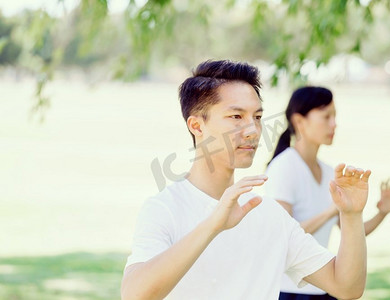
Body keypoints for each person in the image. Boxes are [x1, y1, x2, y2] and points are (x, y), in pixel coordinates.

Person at [121, 60, 372, 300]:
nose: (253, 130)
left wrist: (351, 216)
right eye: (236, 117)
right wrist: (213, 225)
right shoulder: (164, 209)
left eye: (258, 117)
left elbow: (347, 286)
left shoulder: (268, 214)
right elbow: (134, 295)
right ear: (197, 126)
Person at [265, 86, 390, 300]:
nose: (334, 124)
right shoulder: (283, 167)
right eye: (326, 116)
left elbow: (353, 231)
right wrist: (332, 210)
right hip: (289, 291)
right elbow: (284, 236)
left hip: (325, 287)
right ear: (299, 121)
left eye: (334, 116)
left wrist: (382, 212)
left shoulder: (329, 172)